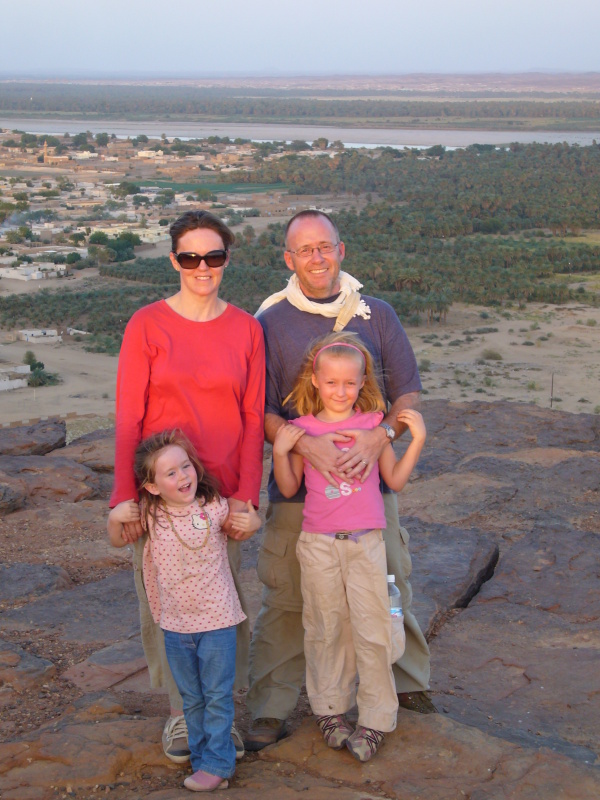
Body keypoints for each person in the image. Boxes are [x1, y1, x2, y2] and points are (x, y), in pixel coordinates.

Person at [245, 209, 432, 751]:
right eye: (305, 250)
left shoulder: (378, 315)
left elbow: (407, 392)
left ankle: (407, 685)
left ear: (341, 249)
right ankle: (272, 705)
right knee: (287, 595)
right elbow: (259, 409)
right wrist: (306, 443)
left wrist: (382, 437)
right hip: (300, 488)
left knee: (390, 585)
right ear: (289, 259)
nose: (317, 258)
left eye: (324, 246)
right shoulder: (270, 321)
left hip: (370, 491)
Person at [109, 210, 265, 763]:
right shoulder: (147, 325)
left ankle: (219, 716)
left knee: (225, 605)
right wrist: (122, 497)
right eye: (191, 257)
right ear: (175, 260)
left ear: (226, 259)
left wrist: (247, 498)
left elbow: (251, 418)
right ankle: (181, 715)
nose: (203, 267)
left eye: (214, 256)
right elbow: (129, 417)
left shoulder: (247, 328)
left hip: (220, 496)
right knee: (162, 604)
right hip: (158, 498)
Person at [272, 333, 426, 762]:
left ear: (362, 383)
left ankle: (376, 717)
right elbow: (288, 487)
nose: (341, 391)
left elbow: (393, 482)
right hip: (318, 544)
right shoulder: (303, 429)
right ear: (316, 381)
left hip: (367, 544)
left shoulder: (373, 428)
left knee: (374, 629)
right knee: (325, 626)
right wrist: (282, 452)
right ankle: (330, 709)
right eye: (332, 382)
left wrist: (415, 441)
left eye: (350, 383)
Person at [109, 430, 262, 791]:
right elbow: (118, 540)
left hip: (218, 622)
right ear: (152, 486)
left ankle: (218, 765)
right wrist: (115, 517)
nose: (183, 476)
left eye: (185, 466)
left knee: (217, 695)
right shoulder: (150, 514)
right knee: (191, 697)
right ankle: (203, 760)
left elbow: (243, 527)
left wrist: (253, 523)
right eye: (171, 473)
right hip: (176, 625)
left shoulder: (214, 506)